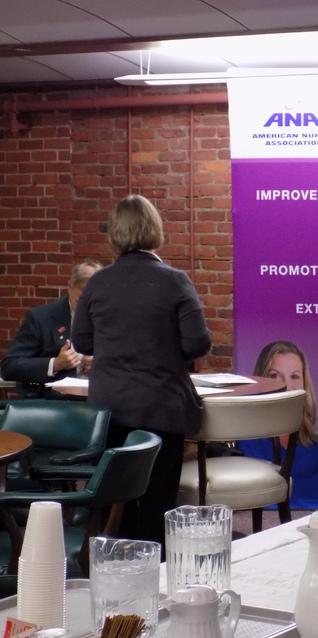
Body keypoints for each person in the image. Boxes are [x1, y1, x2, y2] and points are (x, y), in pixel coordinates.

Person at [72, 194, 211, 545]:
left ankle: (113, 568)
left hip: (109, 412)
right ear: (155, 229)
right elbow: (197, 345)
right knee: (157, 505)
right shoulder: (175, 281)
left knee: (115, 505)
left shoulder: (98, 282)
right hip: (161, 409)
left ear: (114, 233)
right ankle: (157, 568)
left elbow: (82, 341)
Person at [237, 340, 318, 510]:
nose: (287, 387)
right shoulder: (241, 447)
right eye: (275, 376)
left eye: (295, 376)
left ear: (305, 385)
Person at [1, 260, 101, 399]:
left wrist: (101, 363)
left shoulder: (113, 317)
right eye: (81, 300)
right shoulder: (41, 317)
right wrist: (54, 364)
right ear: (69, 287)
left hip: (102, 399)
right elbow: (9, 367)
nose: (88, 308)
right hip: (57, 402)